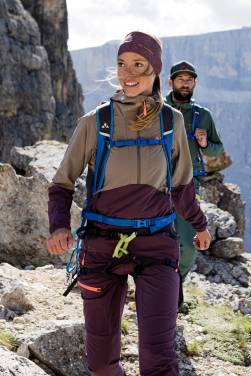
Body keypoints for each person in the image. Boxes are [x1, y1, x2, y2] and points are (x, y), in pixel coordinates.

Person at [46, 31, 211, 376]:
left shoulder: (171, 122)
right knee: (102, 365)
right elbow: (62, 182)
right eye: (122, 64)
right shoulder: (96, 122)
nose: (128, 72)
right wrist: (59, 225)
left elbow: (181, 186)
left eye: (139, 64)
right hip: (102, 245)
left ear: (155, 72)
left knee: (159, 361)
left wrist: (200, 224)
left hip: (157, 245)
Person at [165, 61, 224, 289]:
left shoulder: (203, 116)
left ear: (195, 83)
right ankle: (149, 289)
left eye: (189, 80)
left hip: (189, 184)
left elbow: (216, 150)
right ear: (171, 82)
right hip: (156, 182)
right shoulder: (157, 108)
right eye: (181, 79)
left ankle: (174, 290)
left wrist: (204, 142)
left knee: (188, 245)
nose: (185, 83)